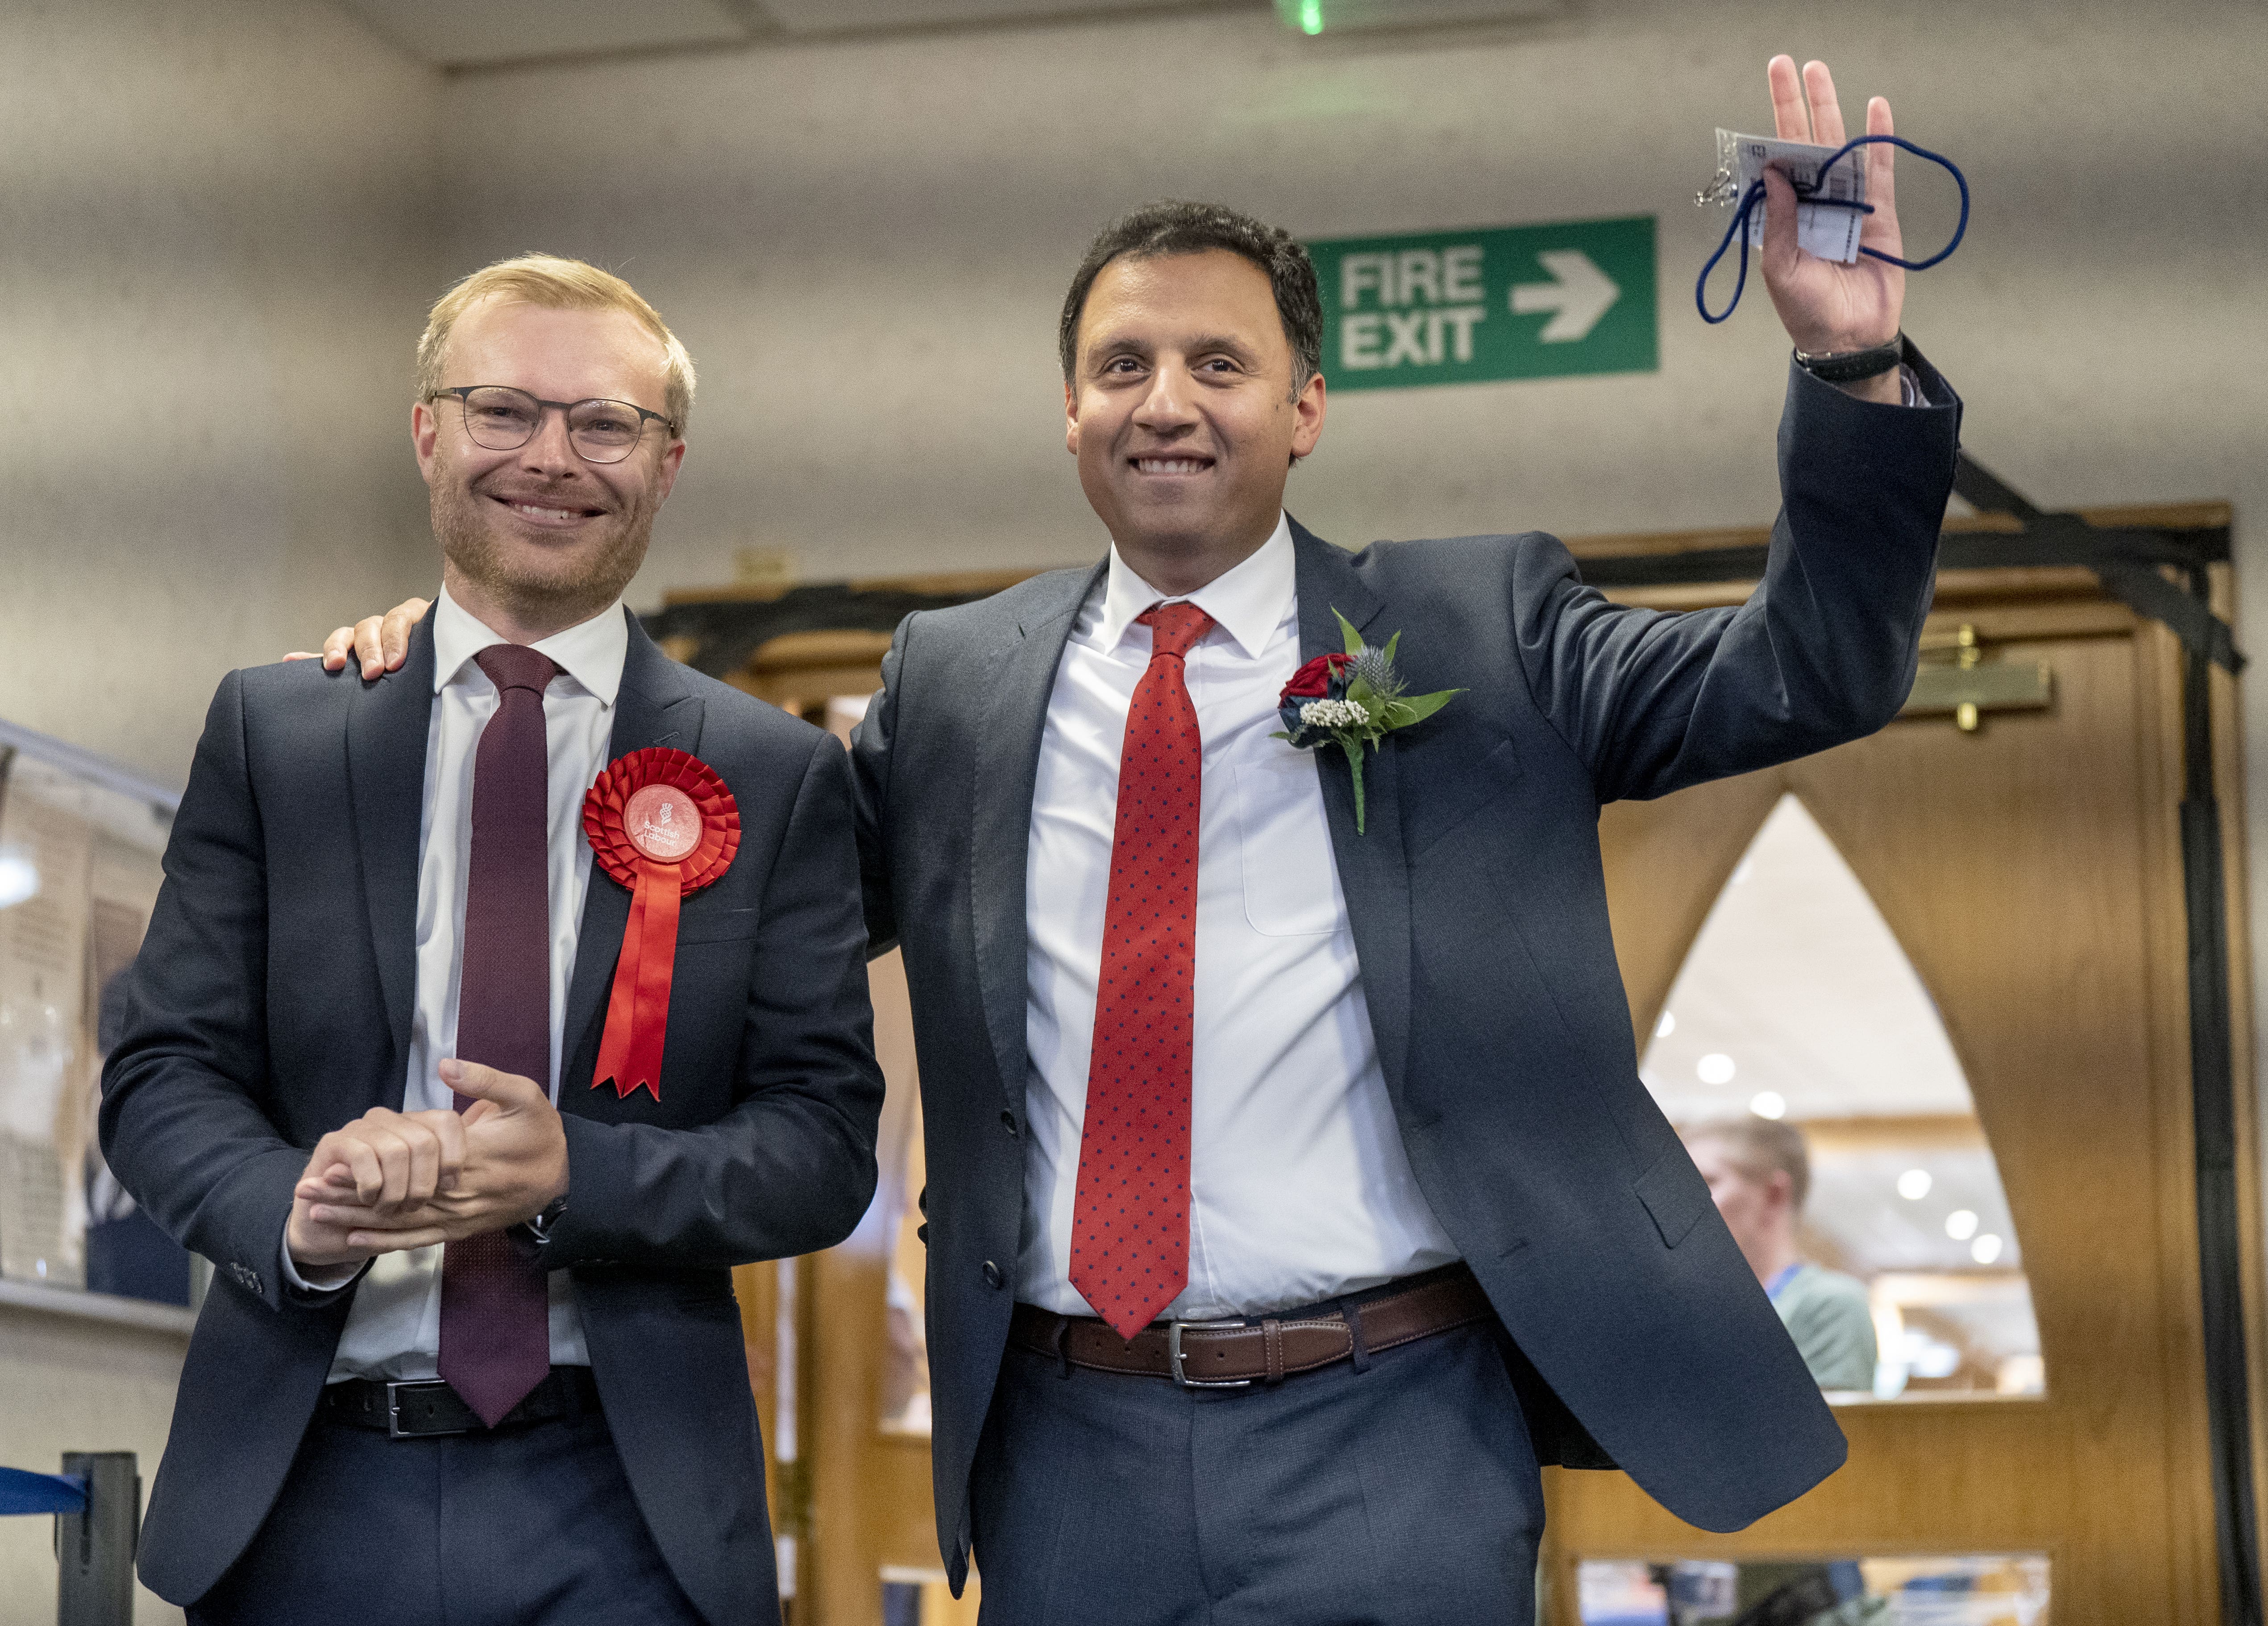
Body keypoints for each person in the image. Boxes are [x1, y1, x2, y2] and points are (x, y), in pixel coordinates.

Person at [316, 58, 1956, 1626]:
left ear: (1304, 406)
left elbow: (1804, 669)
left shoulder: (1481, 624)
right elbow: (729, 885)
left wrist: (1845, 371)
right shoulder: (953, 680)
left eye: (1217, 367)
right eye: (1120, 367)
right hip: (1061, 1432)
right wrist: (480, 662)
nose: (1164, 404)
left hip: (1392, 1421)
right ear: (1067, 410)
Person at [103, 254, 884, 1625]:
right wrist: (295, 1208)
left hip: (626, 1496)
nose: (550, 457)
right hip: (301, 1478)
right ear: (427, 431)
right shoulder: (277, 733)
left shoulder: (772, 775)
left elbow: (819, 1146)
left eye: (605, 423)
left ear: (668, 461)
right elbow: (160, 1071)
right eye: (503, 409)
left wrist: (577, 1169)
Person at [1683, 1116, 1879, 1392]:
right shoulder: (1695, 1307)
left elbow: (1820, 1433)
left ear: (1774, 1194)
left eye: (1706, 1182)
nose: (1682, 1201)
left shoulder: (1830, 1307)